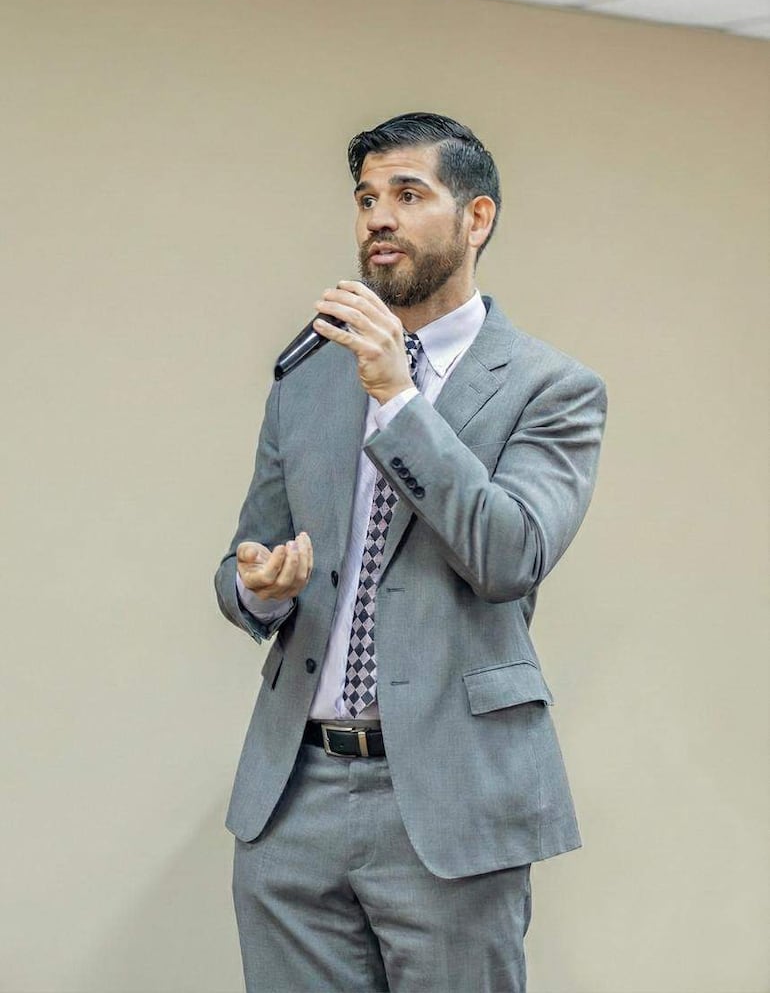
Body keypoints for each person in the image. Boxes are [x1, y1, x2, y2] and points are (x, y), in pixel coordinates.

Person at [214, 112, 607, 993]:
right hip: (293, 797)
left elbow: (509, 553)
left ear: (477, 217)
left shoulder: (551, 389)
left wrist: (398, 396)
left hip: (450, 799)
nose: (378, 218)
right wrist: (262, 586)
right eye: (365, 199)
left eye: (407, 193)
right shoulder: (308, 381)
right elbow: (246, 558)